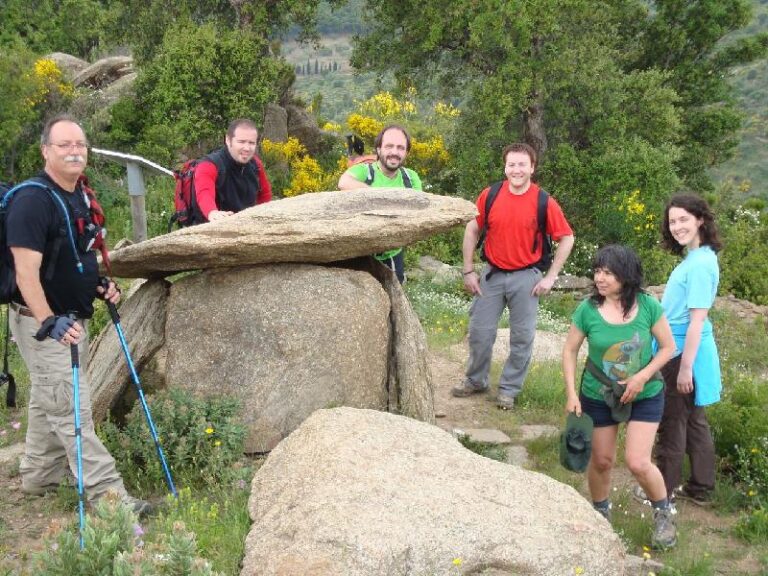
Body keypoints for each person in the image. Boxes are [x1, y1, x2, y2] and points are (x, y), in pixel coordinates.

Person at [6, 114, 150, 515]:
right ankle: (112, 500)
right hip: (47, 326)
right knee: (71, 410)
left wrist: (98, 285)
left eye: (80, 145)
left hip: (72, 319)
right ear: (46, 151)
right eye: (65, 145)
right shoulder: (31, 201)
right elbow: (25, 273)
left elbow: (75, 257)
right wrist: (49, 322)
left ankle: (40, 475)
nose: (74, 151)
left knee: (48, 398)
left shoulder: (78, 194)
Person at [562, 244, 677, 549]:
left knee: (638, 462)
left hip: (645, 393)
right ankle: (601, 514)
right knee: (601, 460)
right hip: (598, 394)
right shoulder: (587, 309)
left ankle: (663, 513)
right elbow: (570, 350)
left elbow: (668, 348)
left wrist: (640, 377)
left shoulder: (648, 306)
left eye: (608, 272)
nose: (600, 278)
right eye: (597, 271)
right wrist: (572, 393)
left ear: (626, 275)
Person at [454, 143, 574, 409]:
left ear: (532, 167)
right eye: (512, 164)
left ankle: (508, 389)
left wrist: (551, 276)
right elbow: (472, 229)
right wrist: (468, 269)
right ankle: (476, 380)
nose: (516, 170)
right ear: (505, 167)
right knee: (479, 332)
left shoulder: (544, 201)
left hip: (527, 278)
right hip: (492, 274)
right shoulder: (491, 194)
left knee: (522, 337)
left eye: (522, 165)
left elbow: (566, 237)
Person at [654, 194, 723, 505]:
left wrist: (684, 368)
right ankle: (701, 487)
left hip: (682, 351)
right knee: (695, 419)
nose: (677, 226)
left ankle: (662, 492)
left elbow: (697, 320)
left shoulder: (699, 265)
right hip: (687, 348)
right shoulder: (699, 257)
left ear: (700, 220)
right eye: (672, 221)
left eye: (683, 219)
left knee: (673, 420)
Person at [338, 124, 422, 283]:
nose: (395, 152)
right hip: (360, 254)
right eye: (389, 146)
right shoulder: (365, 171)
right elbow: (344, 182)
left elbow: (416, 210)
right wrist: (384, 198)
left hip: (392, 253)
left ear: (406, 153)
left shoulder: (411, 178)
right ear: (378, 149)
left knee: (394, 302)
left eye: (400, 148)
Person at [194, 118, 272, 222]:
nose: (247, 148)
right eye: (241, 142)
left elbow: (265, 195)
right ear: (228, 140)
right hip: (212, 225)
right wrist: (212, 212)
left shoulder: (255, 165)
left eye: (251, 143)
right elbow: (204, 192)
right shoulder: (209, 165)